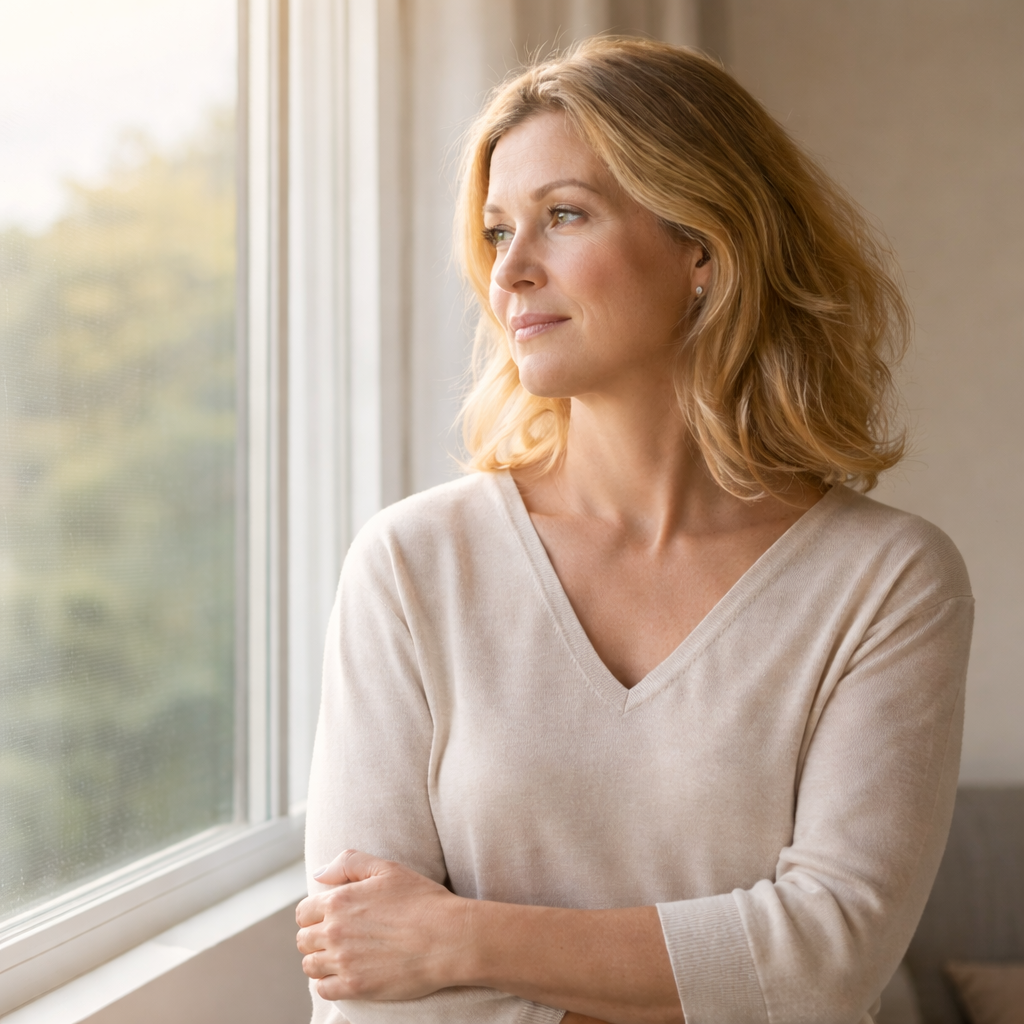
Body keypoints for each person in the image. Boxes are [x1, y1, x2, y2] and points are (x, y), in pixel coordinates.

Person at [296, 37, 973, 1024]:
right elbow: (366, 981)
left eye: (562, 216)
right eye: (496, 233)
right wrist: (716, 975)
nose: (511, 271)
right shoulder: (412, 566)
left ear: (702, 245)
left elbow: (829, 955)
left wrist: (457, 937)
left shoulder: (887, 580)